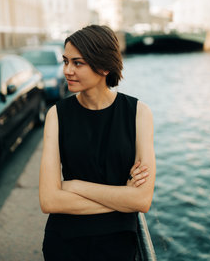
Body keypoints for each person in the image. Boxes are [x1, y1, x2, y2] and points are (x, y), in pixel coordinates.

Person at [39, 25, 156, 261]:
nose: (67, 70)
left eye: (78, 63)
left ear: (103, 66)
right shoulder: (57, 114)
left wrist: (74, 186)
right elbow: (49, 200)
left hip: (118, 246)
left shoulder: (138, 113)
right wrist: (122, 198)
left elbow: (142, 200)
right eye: (65, 61)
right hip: (64, 243)